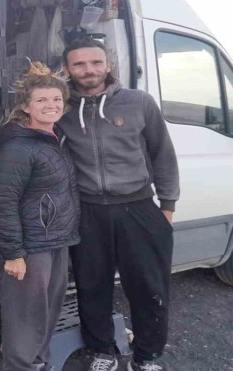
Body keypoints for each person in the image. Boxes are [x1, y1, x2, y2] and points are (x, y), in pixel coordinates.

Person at [56, 38, 180, 371]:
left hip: (138, 207)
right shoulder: (61, 108)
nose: (89, 70)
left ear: (108, 64)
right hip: (88, 211)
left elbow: (163, 155)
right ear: (67, 69)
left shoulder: (139, 102)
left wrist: (166, 207)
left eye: (96, 62)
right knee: (91, 286)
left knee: (148, 287)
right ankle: (103, 351)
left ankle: (146, 356)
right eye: (79, 64)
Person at [0, 61, 81, 371]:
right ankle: (20, 366)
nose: (50, 105)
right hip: (31, 245)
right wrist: (13, 253)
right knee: (25, 314)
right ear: (26, 107)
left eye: (56, 99)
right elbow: (4, 203)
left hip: (56, 240)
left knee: (49, 308)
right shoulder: (18, 147)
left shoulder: (55, 139)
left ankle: (38, 362)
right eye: (41, 100)